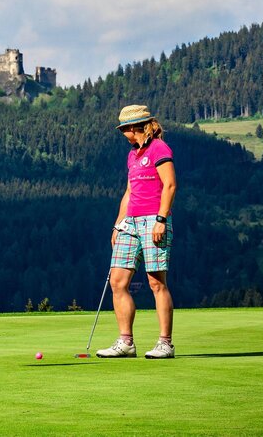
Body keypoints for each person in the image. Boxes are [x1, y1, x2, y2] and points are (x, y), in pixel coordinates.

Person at [97, 104, 178, 359]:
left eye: (124, 129)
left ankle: (165, 343)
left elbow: (170, 185)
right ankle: (126, 342)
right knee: (117, 281)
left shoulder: (159, 148)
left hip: (154, 220)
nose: (123, 134)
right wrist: (118, 223)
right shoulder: (133, 155)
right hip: (130, 222)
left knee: (156, 282)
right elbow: (130, 192)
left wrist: (161, 219)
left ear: (133, 127)